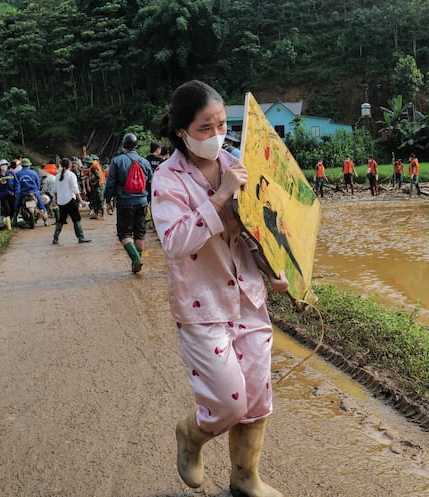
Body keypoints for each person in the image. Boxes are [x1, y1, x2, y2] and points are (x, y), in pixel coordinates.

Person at [151, 79, 289, 497]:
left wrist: (275, 267)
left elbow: (259, 227)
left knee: (257, 397)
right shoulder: (167, 180)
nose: (216, 136)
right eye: (203, 129)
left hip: (248, 296)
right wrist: (218, 198)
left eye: (220, 125)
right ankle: (191, 435)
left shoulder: (239, 163)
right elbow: (174, 241)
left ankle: (246, 478)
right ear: (181, 132)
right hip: (202, 304)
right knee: (229, 402)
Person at [103, 133, 153, 273]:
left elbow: (111, 183)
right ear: (136, 146)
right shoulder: (145, 162)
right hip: (142, 202)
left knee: (124, 234)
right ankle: (135, 264)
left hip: (125, 203)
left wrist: (108, 201)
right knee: (140, 233)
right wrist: (149, 201)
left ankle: (136, 259)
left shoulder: (117, 161)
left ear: (123, 146)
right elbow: (150, 183)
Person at [52, 157, 90, 244]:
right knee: (76, 219)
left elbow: (55, 190)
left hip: (61, 202)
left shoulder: (57, 176)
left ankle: (55, 238)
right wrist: (81, 201)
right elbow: (75, 189)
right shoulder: (71, 175)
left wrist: (57, 200)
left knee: (61, 220)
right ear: (70, 165)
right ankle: (81, 237)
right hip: (70, 200)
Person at [13, 157, 48, 225]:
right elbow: (38, 183)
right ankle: (45, 219)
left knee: (17, 205)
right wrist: (37, 189)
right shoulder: (34, 173)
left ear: (21, 165)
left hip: (22, 192)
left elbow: (16, 184)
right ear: (29, 165)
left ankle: (14, 219)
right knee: (41, 205)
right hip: (34, 191)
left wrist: (17, 192)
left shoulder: (18, 174)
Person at [0, 159, 16, 226]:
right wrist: (1, 183)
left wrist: (16, 192)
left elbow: (16, 183)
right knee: (6, 209)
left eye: (5, 165)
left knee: (12, 207)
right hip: (2, 194)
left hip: (12, 193)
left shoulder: (11, 173)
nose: (4, 166)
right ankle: (8, 223)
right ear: (0, 167)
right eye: (2, 165)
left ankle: (11, 219)